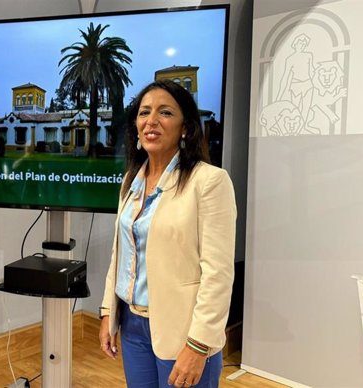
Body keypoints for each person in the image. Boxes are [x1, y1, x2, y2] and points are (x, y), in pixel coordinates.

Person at [98, 80, 236, 388]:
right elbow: (120, 254)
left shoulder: (210, 182)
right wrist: (108, 311)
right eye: (144, 112)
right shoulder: (131, 181)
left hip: (183, 330)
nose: (152, 120)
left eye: (165, 113)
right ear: (135, 126)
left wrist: (199, 344)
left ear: (185, 127)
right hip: (133, 326)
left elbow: (218, 273)